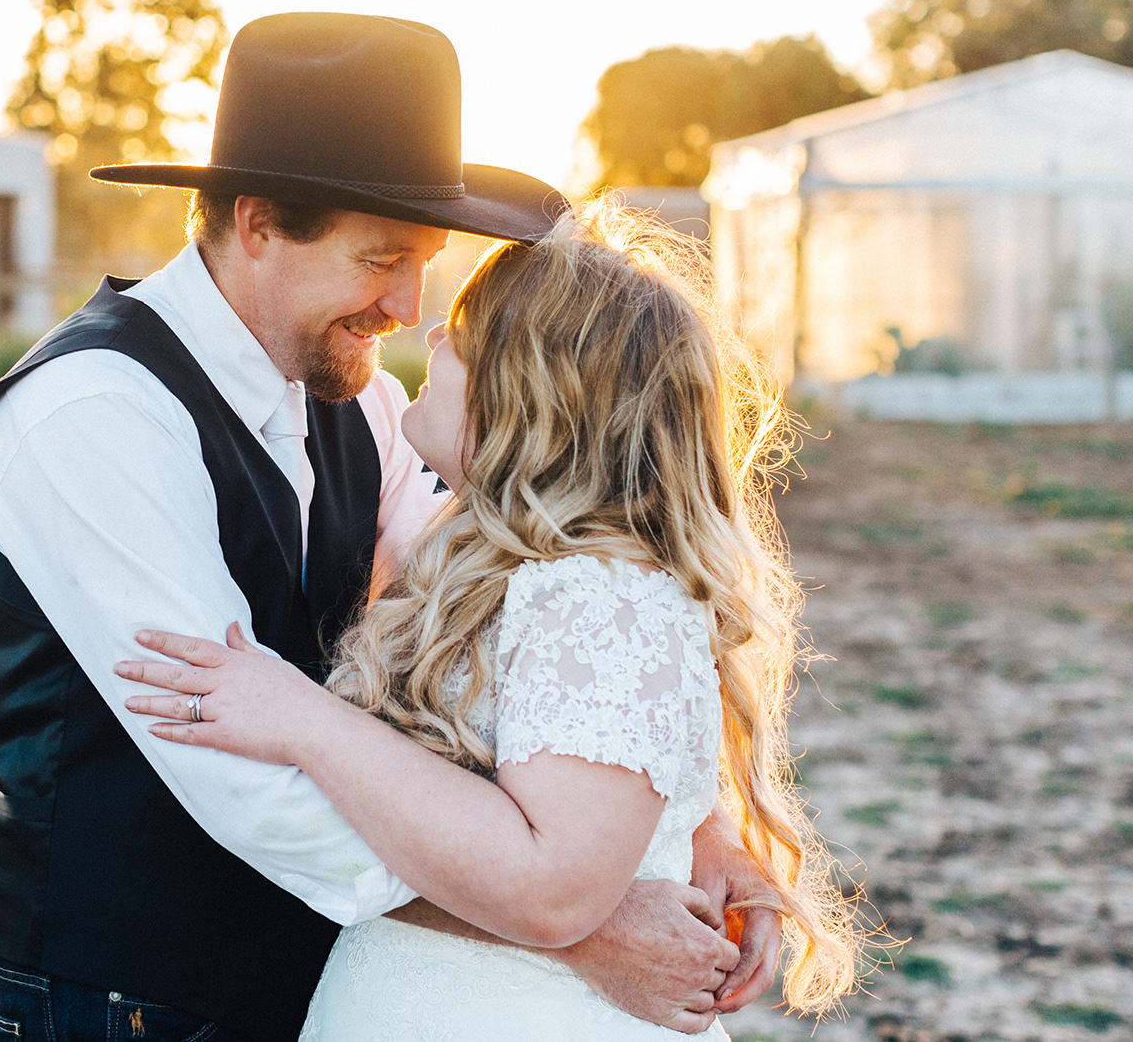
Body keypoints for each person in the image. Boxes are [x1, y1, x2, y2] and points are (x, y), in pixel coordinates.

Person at [0, 13, 781, 1042]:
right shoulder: (91, 417)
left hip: (333, 979)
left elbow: (510, 616)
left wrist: (684, 824)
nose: (408, 308)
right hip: (141, 1004)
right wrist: (569, 929)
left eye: (425, 263)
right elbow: (244, 779)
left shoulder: (354, 402)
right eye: (381, 260)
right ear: (258, 223)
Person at [116, 199, 861, 1038]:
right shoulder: (489, 545)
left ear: (531, 396)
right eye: (381, 262)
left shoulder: (600, 597)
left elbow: (554, 886)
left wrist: (302, 720)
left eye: (464, 335)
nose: (425, 333)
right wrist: (700, 825)